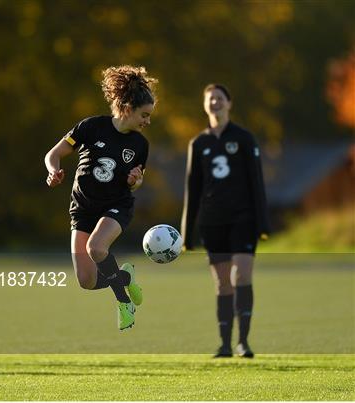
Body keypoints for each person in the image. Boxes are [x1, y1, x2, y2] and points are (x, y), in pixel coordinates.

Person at [45, 65, 157, 330]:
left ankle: (123, 303)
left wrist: (136, 182)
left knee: (96, 248)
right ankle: (125, 278)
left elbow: (136, 183)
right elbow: (53, 154)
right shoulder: (91, 127)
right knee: (86, 280)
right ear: (128, 108)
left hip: (116, 206)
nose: (148, 122)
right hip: (82, 210)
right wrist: (53, 171)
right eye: (145, 115)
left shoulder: (140, 145)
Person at [181, 84, 269, 358]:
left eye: (220, 99)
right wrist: (186, 233)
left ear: (229, 104)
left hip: (243, 218)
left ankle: (243, 342)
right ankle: (224, 345)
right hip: (212, 221)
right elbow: (192, 188)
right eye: (211, 99)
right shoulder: (199, 143)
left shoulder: (244, 138)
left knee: (241, 274)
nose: (215, 103)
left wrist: (262, 223)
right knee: (222, 283)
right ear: (205, 105)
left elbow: (257, 181)